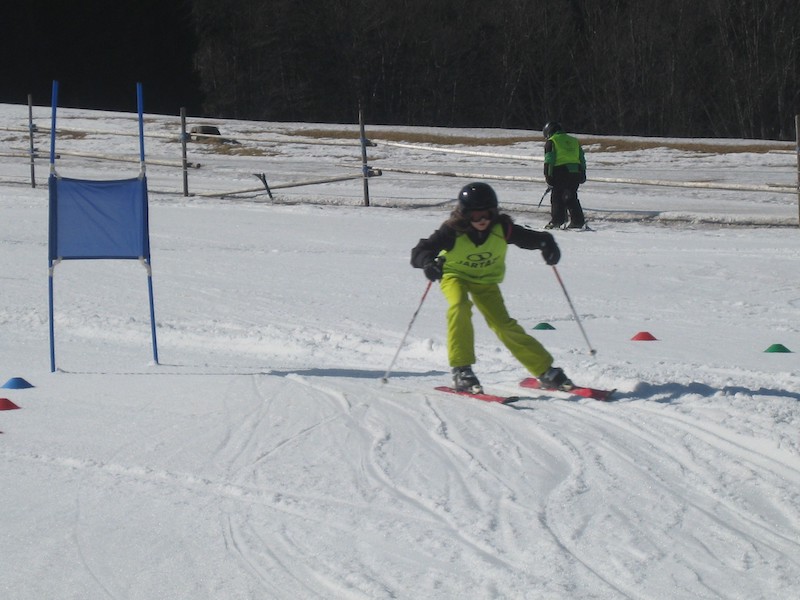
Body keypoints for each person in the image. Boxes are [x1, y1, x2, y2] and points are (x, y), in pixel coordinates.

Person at [410, 182, 573, 394]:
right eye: (475, 215)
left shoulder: (502, 229)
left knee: (503, 324)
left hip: (486, 281)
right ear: (465, 214)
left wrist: (547, 245)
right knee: (459, 306)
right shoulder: (452, 231)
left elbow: (533, 238)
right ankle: (461, 370)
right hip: (455, 276)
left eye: (486, 214)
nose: (482, 220)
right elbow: (420, 251)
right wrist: (428, 263)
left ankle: (544, 370)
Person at [542, 121, 587, 229]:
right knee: (571, 197)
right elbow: (581, 158)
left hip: (560, 172)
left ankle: (557, 221)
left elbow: (549, 161)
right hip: (575, 171)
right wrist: (583, 172)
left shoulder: (552, 142)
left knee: (557, 197)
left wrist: (548, 176)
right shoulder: (574, 141)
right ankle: (578, 221)